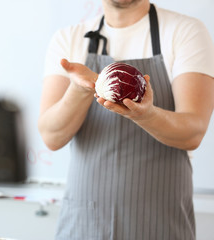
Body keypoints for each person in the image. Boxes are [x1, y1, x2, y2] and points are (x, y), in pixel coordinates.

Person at [38, 0, 214, 239]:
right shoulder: (68, 39)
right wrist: (81, 90)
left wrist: (147, 115)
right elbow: (51, 137)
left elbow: (193, 132)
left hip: (160, 225)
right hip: (84, 225)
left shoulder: (185, 32)